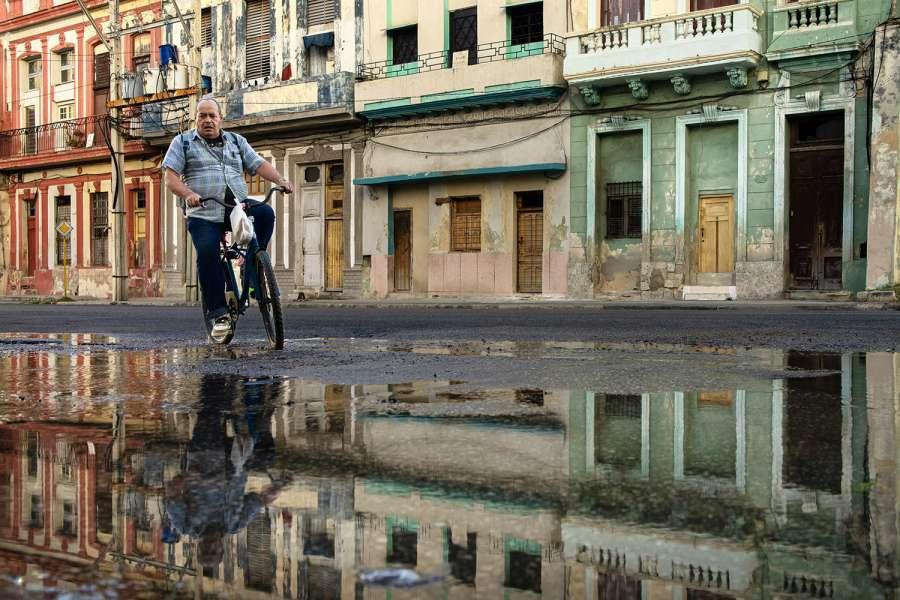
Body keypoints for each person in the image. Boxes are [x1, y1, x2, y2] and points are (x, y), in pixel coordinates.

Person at [162, 98, 294, 341]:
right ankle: (219, 313)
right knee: (207, 253)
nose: (208, 120)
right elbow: (170, 178)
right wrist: (188, 194)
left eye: (212, 115)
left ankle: (254, 265)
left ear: (220, 118)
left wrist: (281, 180)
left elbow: (259, 164)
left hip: (236, 206)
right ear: (195, 119)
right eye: (202, 116)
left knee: (265, 213)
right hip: (203, 211)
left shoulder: (236, 141)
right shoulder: (182, 142)